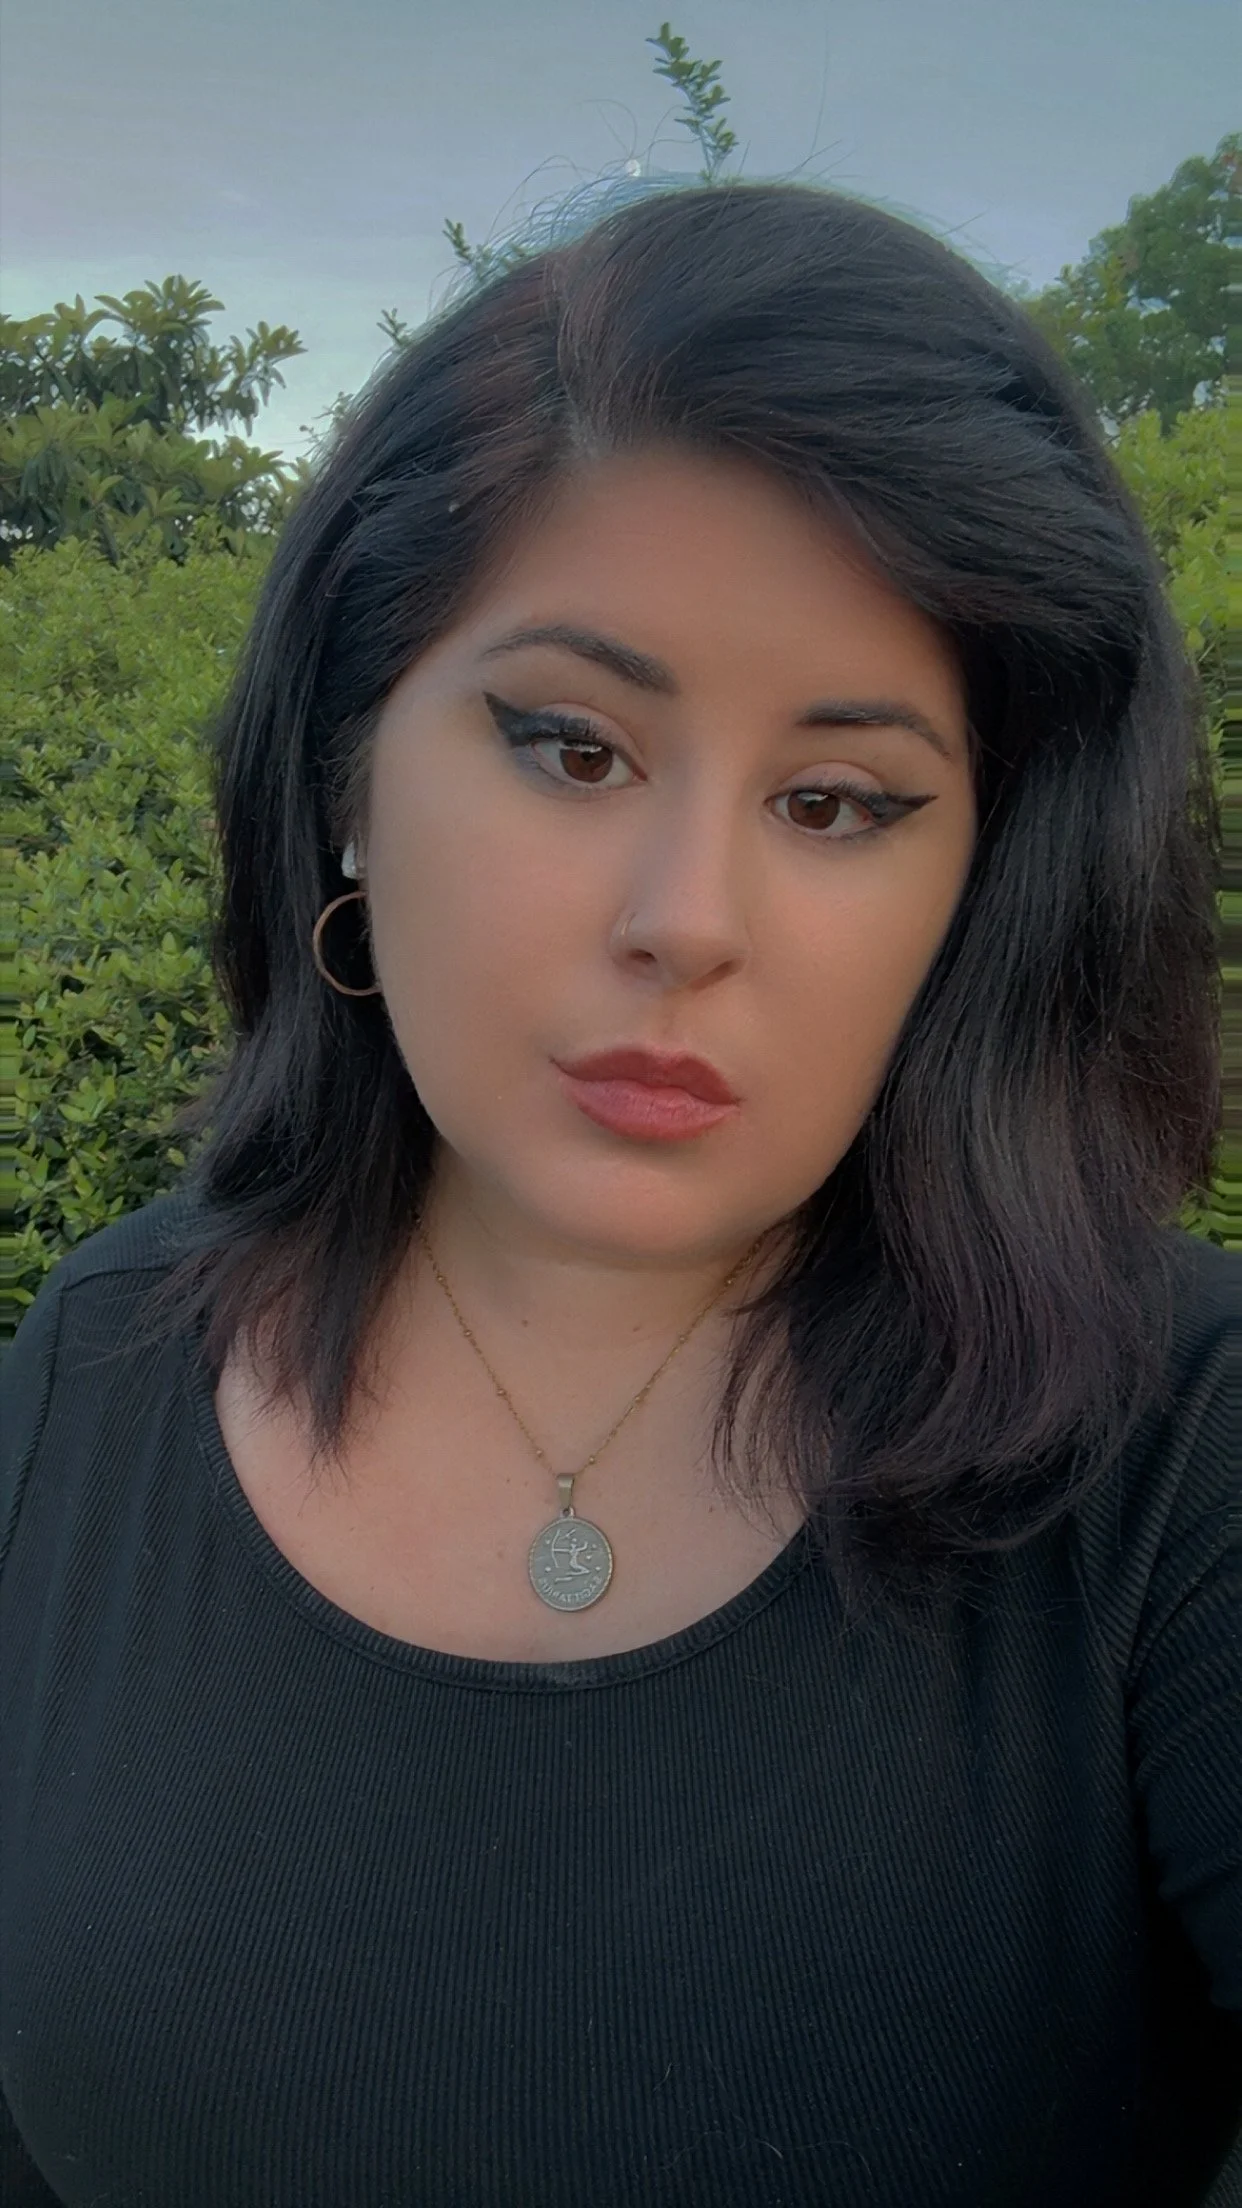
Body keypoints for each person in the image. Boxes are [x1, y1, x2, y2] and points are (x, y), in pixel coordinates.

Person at [1, 178, 1237, 2208]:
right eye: (571, 746)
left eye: (840, 802)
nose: (688, 921)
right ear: (344, 766)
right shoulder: (85, 1388)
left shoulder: (1178, 1462)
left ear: (980, 883)